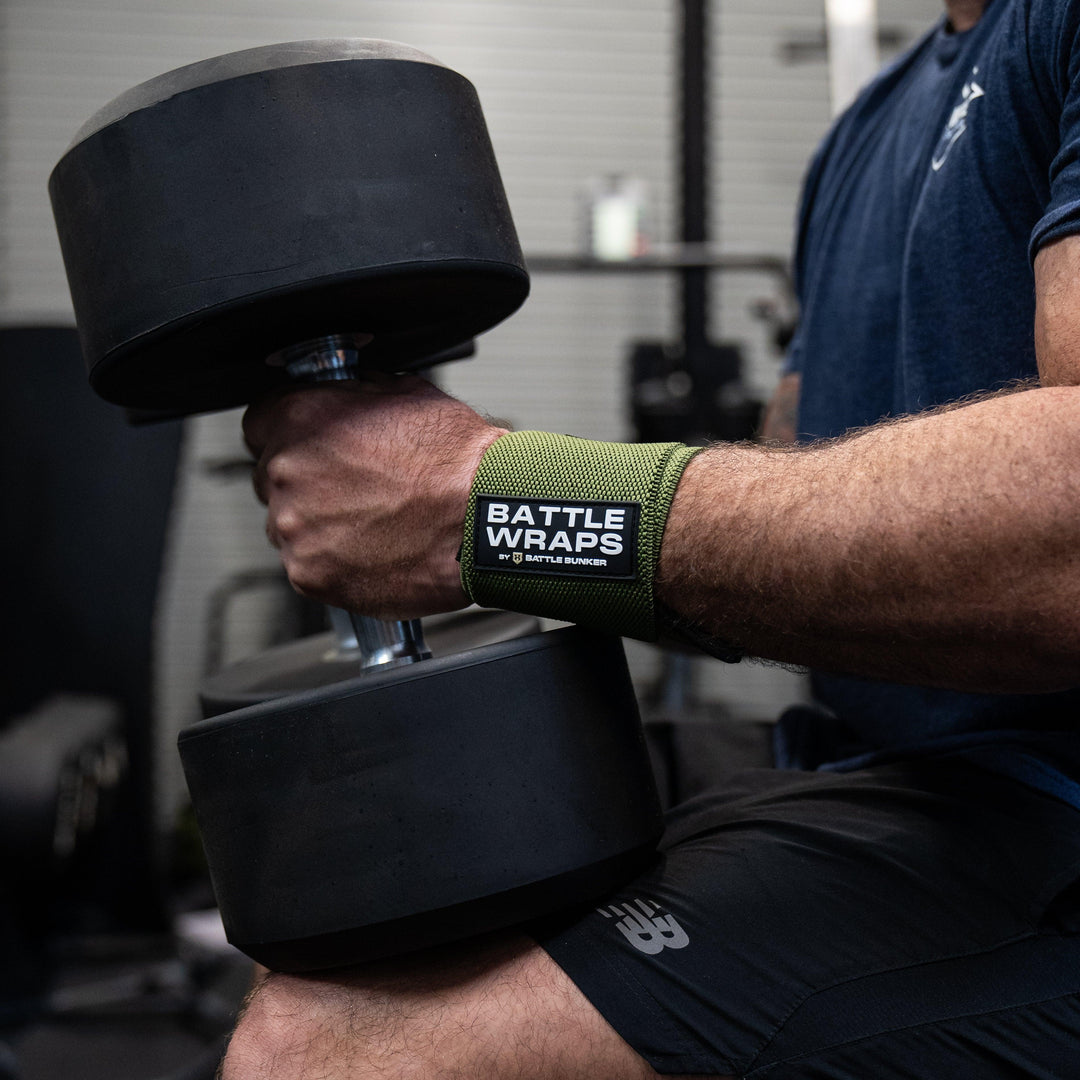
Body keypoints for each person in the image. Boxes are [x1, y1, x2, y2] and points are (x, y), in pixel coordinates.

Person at [225, 0, 1080, 1075]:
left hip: (1046, 809)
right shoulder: (864, 132)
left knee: (320, 1051)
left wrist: (489, 502)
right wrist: (446, 499)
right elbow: (774, 535)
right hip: (887, 773)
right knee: (343, 923)